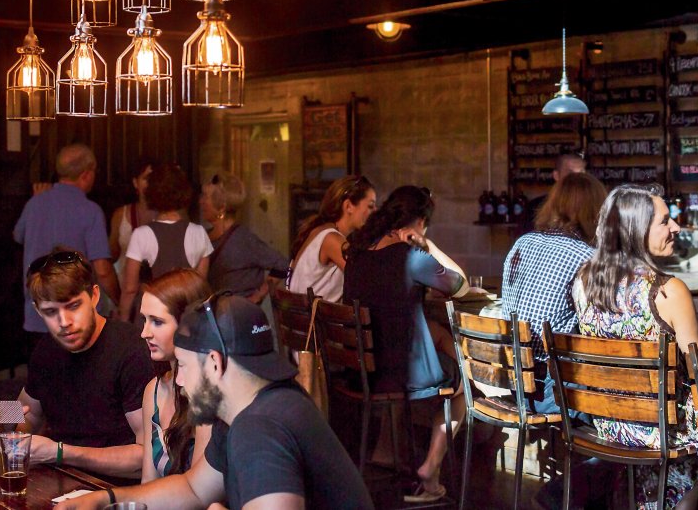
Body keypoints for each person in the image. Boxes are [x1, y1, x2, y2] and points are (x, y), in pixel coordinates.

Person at [55, 294, 374, 510]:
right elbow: (194, 489)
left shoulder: (260, 428)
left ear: (215, 363)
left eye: (184, 366)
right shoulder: (247, 408)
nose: (178, 381)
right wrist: (105, 499)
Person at [570, 184, 698, 510]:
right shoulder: (667, 291)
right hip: (660, 430)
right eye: (665, 221)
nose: (676, 227)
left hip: (608, 422)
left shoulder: (583, 282)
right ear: (636, 232)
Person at [344, 185, 467, 503]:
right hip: (401, 375)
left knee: (431, 340)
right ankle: (430, 468)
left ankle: (386, 452)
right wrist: (429, 245)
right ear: (417, 223)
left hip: (362, 373)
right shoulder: (409, 256)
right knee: (464, 378)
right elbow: (460, 286)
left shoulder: (358, 253)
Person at [0, 250, 154, 478]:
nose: (64, 323)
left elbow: (148, 458)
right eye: (51, 312)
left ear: (94, 296)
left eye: (73, 306)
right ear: (37, 310)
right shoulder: (45, 350)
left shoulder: (131, 350)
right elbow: (29, 413)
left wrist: (61, 453)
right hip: (62, 483)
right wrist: (3, 419)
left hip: (116, 490)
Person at [502, 172, 606, 415]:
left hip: (516, 384)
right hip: (554, 390)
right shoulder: (586, 256)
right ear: (596, 211)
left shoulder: (522, 242)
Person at [14, 143, 119, 345]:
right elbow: (103, 270)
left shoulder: (34, 204)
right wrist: (120, 301)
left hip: (39, 312)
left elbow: (18, 236)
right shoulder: (90, 210)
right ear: (87, 174)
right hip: (76, 317)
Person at [137, 269, 215, 482]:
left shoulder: (208, 398)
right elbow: (147, 484)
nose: (145, 332)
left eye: (157, 322)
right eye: (144, 320)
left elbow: (199, 495)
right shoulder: (153, 390)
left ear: (188, 325)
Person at [121, 164, 213, 322]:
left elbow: (130, 289)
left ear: (151, 193)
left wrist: (123, 323)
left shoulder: (141, 235)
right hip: (187, 321)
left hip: (152, 319)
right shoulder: (199, 233)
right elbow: (200, 288)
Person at [201, 172, 290, 303]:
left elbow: (282, 266)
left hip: (237, 317)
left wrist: (257, 296)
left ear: (221, 207)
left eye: (205, 197)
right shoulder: (203, 236)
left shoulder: (243, 240)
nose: (201, 201)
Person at [287, 175, 377, 303]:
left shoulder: (320, 230)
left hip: (303, 319)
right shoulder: (331, 238)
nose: (375, 211)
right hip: (314, 321)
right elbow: (366, 277)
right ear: (348, 206)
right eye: (370, 206)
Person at [517, 153, 588, 235]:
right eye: (570, 174)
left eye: (581, 174)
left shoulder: (594, 205)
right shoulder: (536, 207)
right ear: (556, 175)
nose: (577, 179)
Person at [109, 161, 158, 274]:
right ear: (135, 183)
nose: (150, 183)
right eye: (146, 178)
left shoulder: (168, 214)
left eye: (154, 179)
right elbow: (112, 255)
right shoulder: (120, 215)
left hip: (159, 288)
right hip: (126, 286)